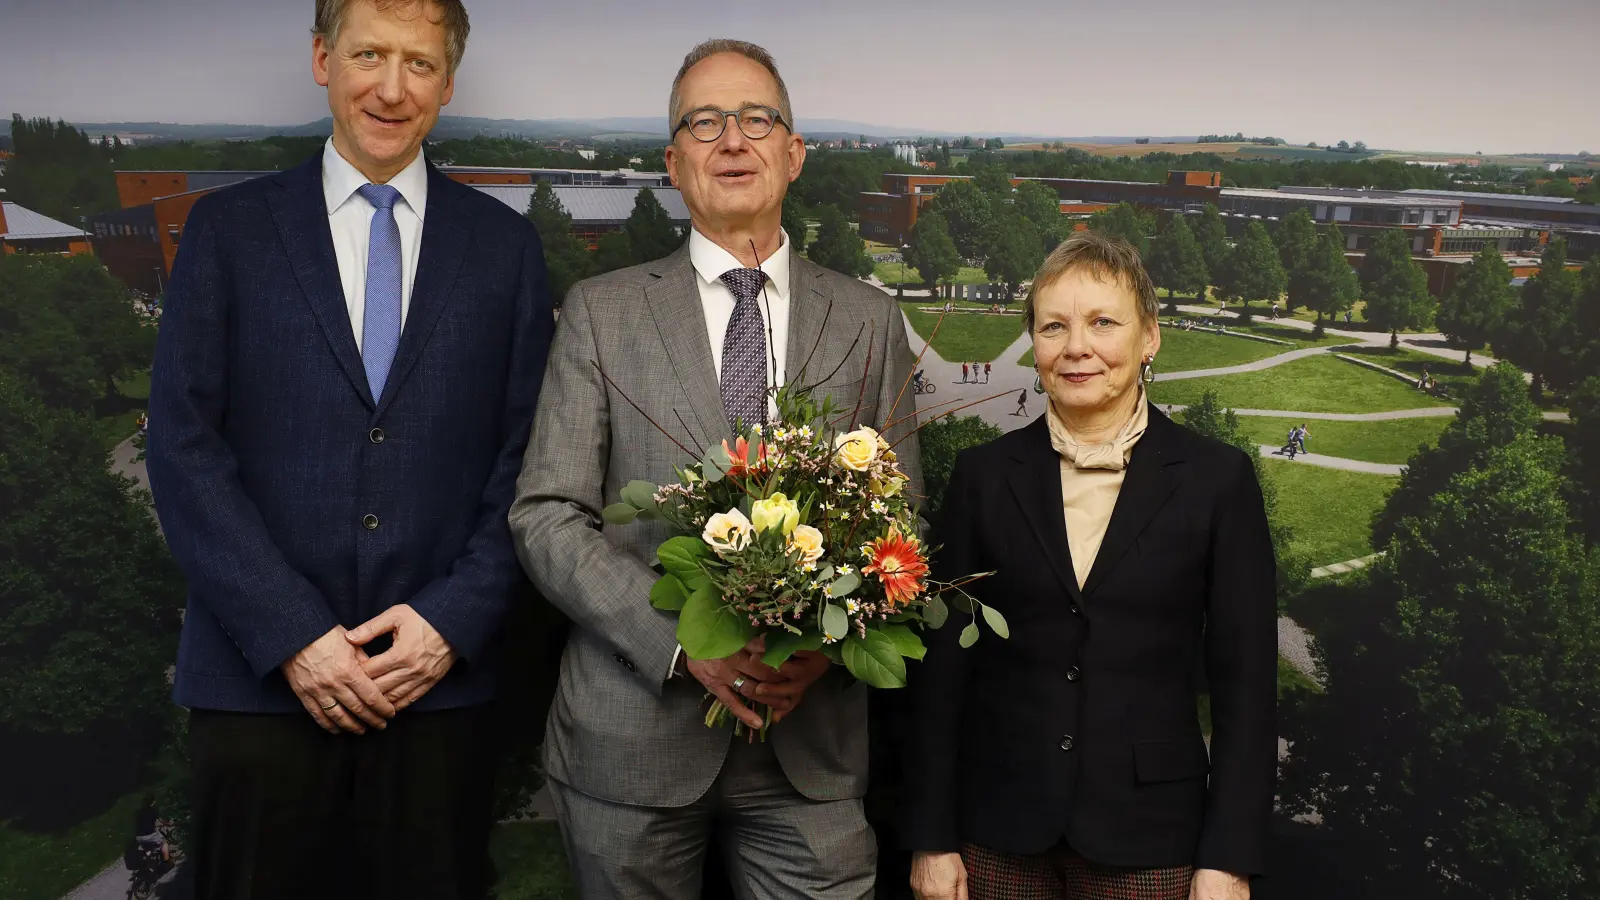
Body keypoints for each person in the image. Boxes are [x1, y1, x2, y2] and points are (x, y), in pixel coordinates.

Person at [144, 1, 555, 896]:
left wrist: (451, 623)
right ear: (323, 59)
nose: (392, 87)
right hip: (257, 685)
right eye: (370, 54)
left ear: (447, 84)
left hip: (436, 688)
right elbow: (181, 447)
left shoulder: (506, 251)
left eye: (419, 63)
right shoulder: (227, 232)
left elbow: (528, 466)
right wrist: (295, 636)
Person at [508, 39, 922, 900]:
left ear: (794, 152)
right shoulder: (599, 314)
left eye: (756, 118)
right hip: (632, 740)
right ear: (673, 160)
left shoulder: (870, 321)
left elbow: (903, 525)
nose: (732, 139)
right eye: (704, 121)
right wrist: (683, 649)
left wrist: (826, 645)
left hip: (811, 746)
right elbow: (546, 514)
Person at [902, 232, 1276, 900]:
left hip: (1154, 838)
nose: (1077, 347)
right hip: (997, 833)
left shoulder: (1218, 481)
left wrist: (1230, 858)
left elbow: (1246, 688)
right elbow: (941, 673)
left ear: (1150, 338)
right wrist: (931, 837)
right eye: (1054, 327)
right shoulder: (984, 477)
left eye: (1104, 322)